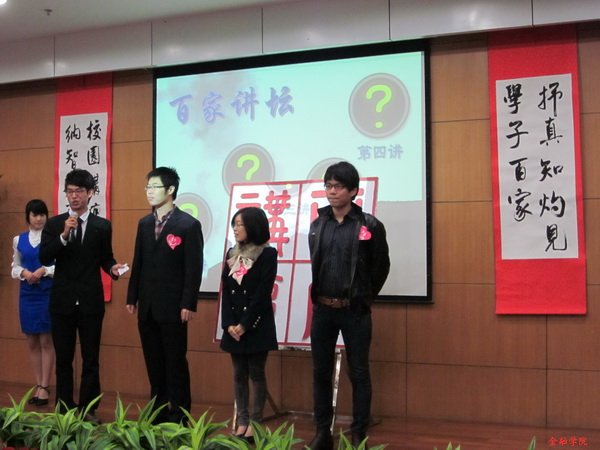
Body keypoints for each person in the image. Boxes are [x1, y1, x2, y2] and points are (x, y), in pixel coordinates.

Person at [307, 161, 390, 450]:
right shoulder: (318, 224)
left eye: (338, 186)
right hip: (323, 309)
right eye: (328, 186)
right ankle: (322, 433)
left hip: (355, 311)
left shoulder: (369, 225)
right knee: (320, 372)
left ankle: (358, 434)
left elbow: (381, 267)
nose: (332, 191)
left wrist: (364, 297)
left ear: (353, 190)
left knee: (359, 373)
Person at [39, 169, 125, 421]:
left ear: (90, 193)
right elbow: (45, 257)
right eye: (69, 191)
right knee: (63, 359)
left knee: (91, 359)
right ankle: (64, 409)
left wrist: (112, 268)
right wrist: (63, 236)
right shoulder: (55, 224)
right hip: (62, 301)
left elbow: (105, 258)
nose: (74, 196)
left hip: (90, 301)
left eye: (79, 191)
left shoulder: (102, 226)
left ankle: (88, 409)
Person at [126, 166, 204, 424]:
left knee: (175, 362)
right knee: (154, 361)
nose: (149, 192)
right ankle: (157, 413)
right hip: (147, 305)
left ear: (170, 190)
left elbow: (193, 268)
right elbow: (139, 261)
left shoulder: (188, 224)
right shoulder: (144, 223)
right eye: (147, 187)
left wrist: (188, 303)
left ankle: (180, 415)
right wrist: (132, 296)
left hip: (173, 306)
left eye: (155, 187)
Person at [220, 207, 278, 442]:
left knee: (256, 373)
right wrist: (228, 324)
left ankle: (255, 423)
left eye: (240, 224)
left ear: (253, 226)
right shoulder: (232, 253)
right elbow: (227, 292)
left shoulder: (267, 254)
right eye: (234, 224)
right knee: (238, 375)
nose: (235, 229)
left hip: (256, 325)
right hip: (234, 327)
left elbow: (262, 294)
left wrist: (244, 325)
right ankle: (242, 421)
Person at [11, 199, 55, 407]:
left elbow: (61, 265)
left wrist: (44, 270)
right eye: (35, 215)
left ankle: (45, 386)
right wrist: (24, 272)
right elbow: (14, 266)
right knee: (32, 341)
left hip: (46, 293)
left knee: (46, 340)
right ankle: (38, 384)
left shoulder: (52, 238)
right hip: (27, 294)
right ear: (28, 217)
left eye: (42, 214)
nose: (39, 218)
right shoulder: (18, 239)